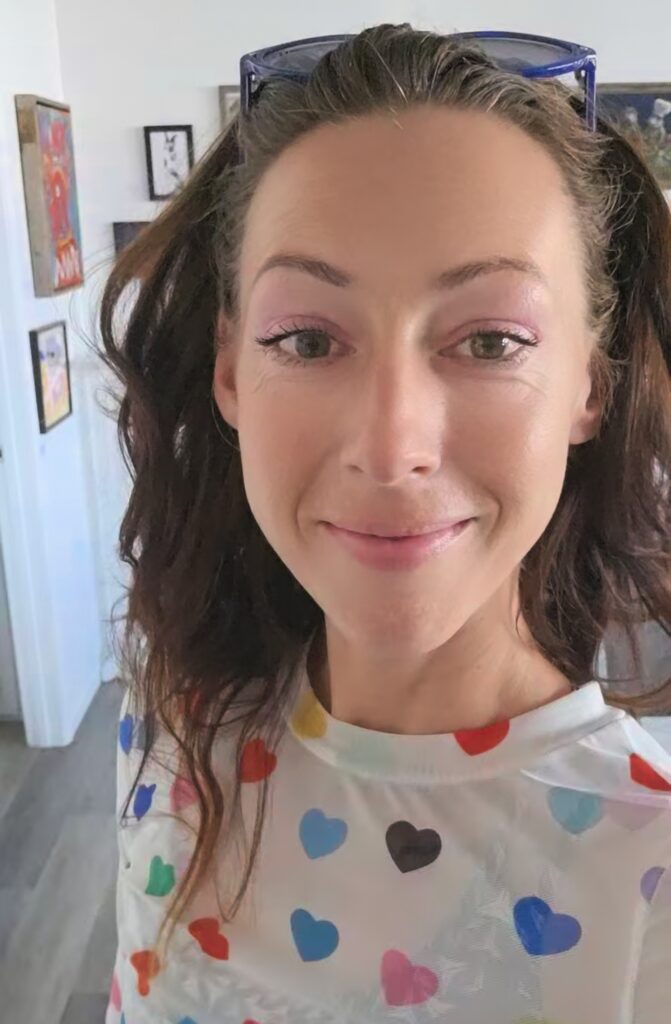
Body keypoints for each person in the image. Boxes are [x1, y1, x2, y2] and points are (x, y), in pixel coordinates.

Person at [100, 22, 671, 1024]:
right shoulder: (175, 724)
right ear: (232, 371)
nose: (390, 442)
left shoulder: (649, 862)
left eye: (489, 338)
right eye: (308, 338)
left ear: (589, 381)